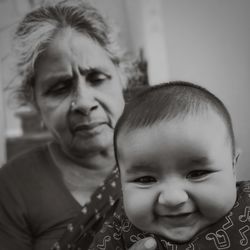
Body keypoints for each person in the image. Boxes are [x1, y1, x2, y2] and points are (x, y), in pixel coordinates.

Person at [0, 1, 157, 250]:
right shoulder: (11, 187)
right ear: (34, 101)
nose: (84, 103)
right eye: (59, 88)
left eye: (97, 78)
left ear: (121, 77)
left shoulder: (167, 156)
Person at [89, 81, 250, 250]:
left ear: (233, 168)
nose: (173, 198)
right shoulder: (119, 228)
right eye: (146, 179)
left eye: (197, 173)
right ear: (121, 181)